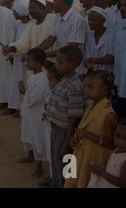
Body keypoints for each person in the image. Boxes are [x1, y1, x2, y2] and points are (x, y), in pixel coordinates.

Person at [64, 70, 117, 188]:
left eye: (91, 87)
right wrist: (75, 139)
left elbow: (112, 144)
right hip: (82, 157)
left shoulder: (108, 114)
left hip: (95, 160)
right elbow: (83, 130)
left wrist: (87, 135)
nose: (86, 90)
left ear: (104, 90)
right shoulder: (90, 107)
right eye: (86, 86)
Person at [44, 45, 86, 188]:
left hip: (64, 135)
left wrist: (66, 144)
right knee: (57, 167)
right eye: (57, 61)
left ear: (73, 65)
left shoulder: (74, 86)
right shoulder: (63, 80)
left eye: (61, 62)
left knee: (65, 170)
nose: (57, 65)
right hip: (56, 132)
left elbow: (74, 117)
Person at [36, 0, 87, 77]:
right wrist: (36, 51)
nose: (52, 3)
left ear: (62, 1)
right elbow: (51, 39)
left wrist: (44, 55)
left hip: (75, 69)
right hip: (63, 67)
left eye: (55, 0)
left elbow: (71, 48)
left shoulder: (77, 20)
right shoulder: (57, 17)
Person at [17, 48, 50, 178]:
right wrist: (24, 90)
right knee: (28, 134)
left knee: (37, 137)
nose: (27, 63)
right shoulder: (33, 76)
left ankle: (39, 165)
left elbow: (34, 98)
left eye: (29, 61)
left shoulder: (42, 79)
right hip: (28, 113)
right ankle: (30, 155)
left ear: (38, 63)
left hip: (36, 114)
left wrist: (22, 90)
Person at [88, 117, 126, 188]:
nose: (121, 142)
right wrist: (106, 169)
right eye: (118, 136)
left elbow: (122, 183)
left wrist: (101, 172)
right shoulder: (118, 150)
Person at [5, 0, 30, 116]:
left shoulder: (31, 25)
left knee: (25, 81)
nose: (13, 13)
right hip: (17, 57)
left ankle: (23, 108)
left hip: (27, 59)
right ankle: (15, 106)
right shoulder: (18, 24)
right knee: (16, 81)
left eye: (15, 11)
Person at [84, 7, 114, 73]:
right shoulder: (89, 35)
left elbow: (111, 57)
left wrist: (96, 61)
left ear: (103, 21)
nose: (90, 23)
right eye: (89, 20)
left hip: (106, 74)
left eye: (93, 20)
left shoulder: (111, 36)